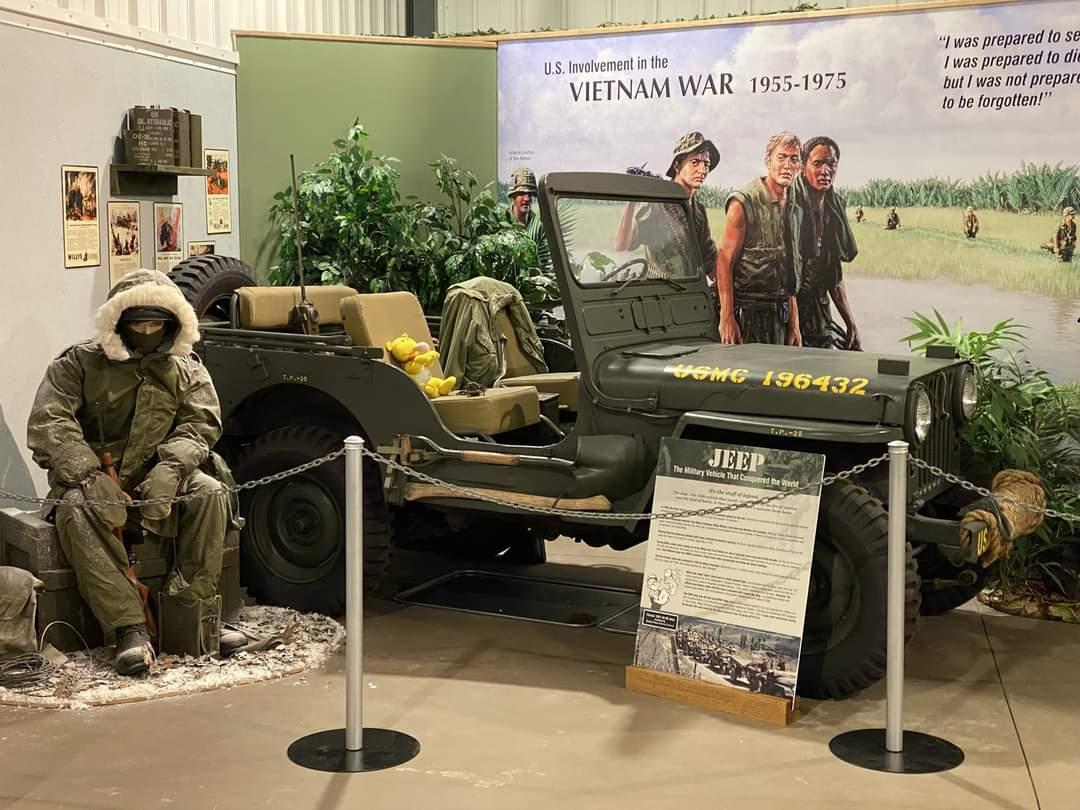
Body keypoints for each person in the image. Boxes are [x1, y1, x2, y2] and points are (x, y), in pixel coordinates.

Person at [27, 269, 242, 676]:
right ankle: (129, 629)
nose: (146, 330)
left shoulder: (187, 368)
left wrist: (172, 468)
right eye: (138, 322)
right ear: (118, 323)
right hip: (95, 477)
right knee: (74, 508)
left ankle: (190, 617)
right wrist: (89, 474)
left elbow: (201, 423)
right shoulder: (80, 362)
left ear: (172, 324)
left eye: (155, 323)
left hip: (162, 471)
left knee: (211, 494)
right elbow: (49, 421)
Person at [715, 132, 802, 346]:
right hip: (748, 315)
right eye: (781, 157)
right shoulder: (744, 203)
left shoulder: (795, 208)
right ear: (768, 161)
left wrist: (794, 324)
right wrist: (726, 318)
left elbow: (789, 271)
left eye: (794, 159)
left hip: (780, 316)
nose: (787, 165)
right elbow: (724, 260)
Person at [614, 131, 719, 289]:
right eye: (695, 162)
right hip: (660, 294)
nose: (703, 170)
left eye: (706, 164)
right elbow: (622, 244)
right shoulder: (657, 205)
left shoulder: (699, 211)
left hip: (692, 294)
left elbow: (709, 261)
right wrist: (631, 201)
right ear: (677, 165)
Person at [790, 136, 861, 350]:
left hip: (818, 310)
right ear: (802, 167)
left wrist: (850, 323)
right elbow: (785, 275)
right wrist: (794, 325)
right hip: (786, 311)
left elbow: (833, 275)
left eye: (831, 164)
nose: (825, 171)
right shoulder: (789, 205)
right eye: (818, 163)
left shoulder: (832, 209)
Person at [506, 168, 552, 273]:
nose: (526, 198)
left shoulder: (539, 226)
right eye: (522, 193)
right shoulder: (500, 220)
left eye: (530, 194)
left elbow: (545, 266)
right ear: (513, 196)